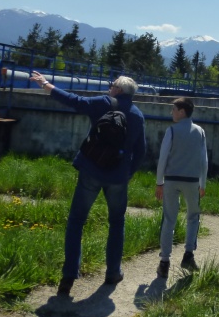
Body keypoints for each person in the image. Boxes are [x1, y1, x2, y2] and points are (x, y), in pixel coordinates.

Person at [30, 72, 146, 296]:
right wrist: (127, 173)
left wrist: (46, 85)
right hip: (118, 177)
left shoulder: (104, 103)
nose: (110, 87)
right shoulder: (137, 115)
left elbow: (74, 101)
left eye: (112, 85)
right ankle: (113, 272)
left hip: (91, 170)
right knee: (116, 222)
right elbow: (141, 151)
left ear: (118, 90)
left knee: (76, 221)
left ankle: (68, 277)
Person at [155, 97, 209, 278]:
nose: (171, 112)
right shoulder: (200, 132)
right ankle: (188, 255)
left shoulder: (171, 130)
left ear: (182, 112)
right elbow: (204, 160)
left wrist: (159, 182)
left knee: (169, 219)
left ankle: (164, 262)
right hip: (192, 181)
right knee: (193, 217)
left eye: (174, 109)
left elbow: (163, 157)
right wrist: (203, 183)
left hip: (171, 180)